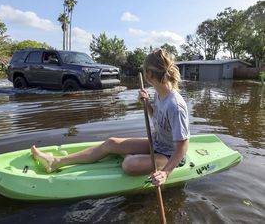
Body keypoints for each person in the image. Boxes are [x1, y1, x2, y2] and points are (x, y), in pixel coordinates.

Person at [31, 49, 190, 186]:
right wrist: (147, 104)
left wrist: (166, 173)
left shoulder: (175, 105)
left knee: (129, 165)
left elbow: (183, 146)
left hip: (169, 155)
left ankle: (131, 156)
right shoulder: (158, 93)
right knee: (111, 142)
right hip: (156, 143)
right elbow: (157, 118)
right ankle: (56, 162)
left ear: (149, 74)